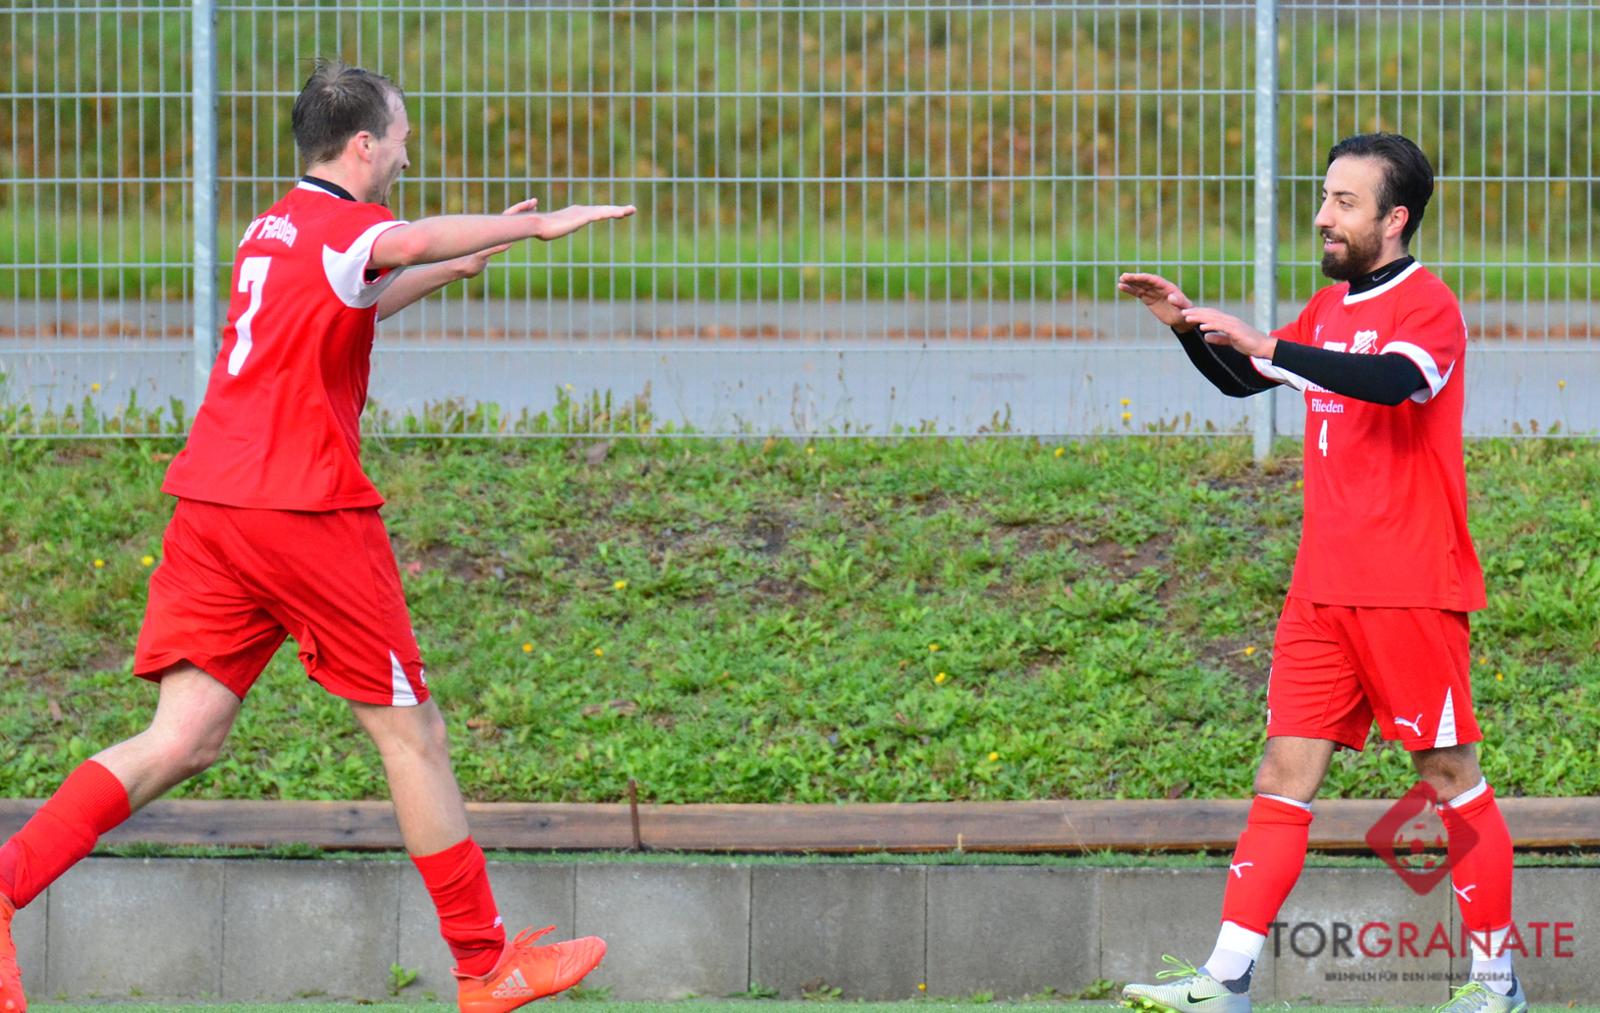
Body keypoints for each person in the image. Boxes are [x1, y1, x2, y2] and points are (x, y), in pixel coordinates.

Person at [0, 60, 635, 1013]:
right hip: (302, 512)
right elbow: (400, 241)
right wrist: (532, 226)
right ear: (365, 144)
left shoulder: (272, 228)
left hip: (212, 508)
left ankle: (4, 884)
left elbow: (348, 296)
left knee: (182, 735)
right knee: (413, 732)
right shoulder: (354, 228)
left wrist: (451, 268)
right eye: (403, 137)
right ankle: (483, 963)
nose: (409, 153)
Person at [1115, 133, 1523, 1013]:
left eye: (1344, 202)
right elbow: (1246, 378)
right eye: (1324, 197)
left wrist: (1273, 344)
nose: (1323, 216)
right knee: (1281, 773)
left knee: (1450, 779)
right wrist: (1188, 329)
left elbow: (1390, 383)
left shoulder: (1429, 306)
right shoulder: (1327, 307)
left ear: (1394, 217)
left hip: (1409, 587)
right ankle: (1225, 980)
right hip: (1320, 592)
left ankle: (1497, 985)